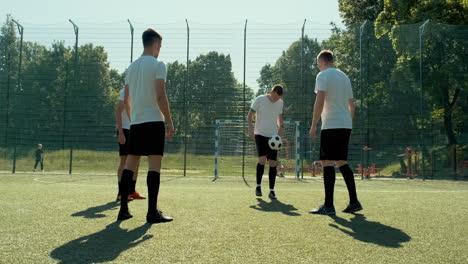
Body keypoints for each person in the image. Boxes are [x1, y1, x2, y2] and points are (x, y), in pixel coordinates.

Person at [118, 28, 175, 223]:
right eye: (160, 45)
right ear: (156, 43)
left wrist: (133, 115)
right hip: (153, 122)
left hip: (136, 122)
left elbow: (126, 99)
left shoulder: (131, 68)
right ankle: (152, 213)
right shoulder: (159, 64)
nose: (160, 48)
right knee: (154, 165)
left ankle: (123, 209)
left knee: (130, 164)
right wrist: (169, 121)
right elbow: (160, 95)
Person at [309, 50, 362, 215]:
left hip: (331, 124)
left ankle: (328, 206)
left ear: (323, 61)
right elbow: (351, 104)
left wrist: (313, 125)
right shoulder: (344, 77)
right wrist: (349, 124)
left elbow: (320, 101)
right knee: (341, 161)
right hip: (345, 124)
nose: (318, 67)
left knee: (327, 162)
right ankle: (354, 202)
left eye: (318, 64)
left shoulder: (323, 75)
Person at [247, 85, 284, 200]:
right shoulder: (259, 99)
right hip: (260, 134)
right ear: (271, 92)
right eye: (275, 97)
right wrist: (250, 128)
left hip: (273, 137)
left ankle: (272, 191)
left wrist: (280, 127)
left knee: (273, 163)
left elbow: (279, 116)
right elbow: (250, 115)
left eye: (278, 98)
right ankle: (258, 186)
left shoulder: (280, 103)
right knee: (262, 160)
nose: (275, 100)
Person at [115, 87, 145, 201]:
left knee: (136, 160)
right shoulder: (125, 91)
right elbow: (118, 111)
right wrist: (121, 132)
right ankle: (121, 193)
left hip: (136, 129)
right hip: (125, 130)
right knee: (124, 160)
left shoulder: (141, 91)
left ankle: (131, 191)